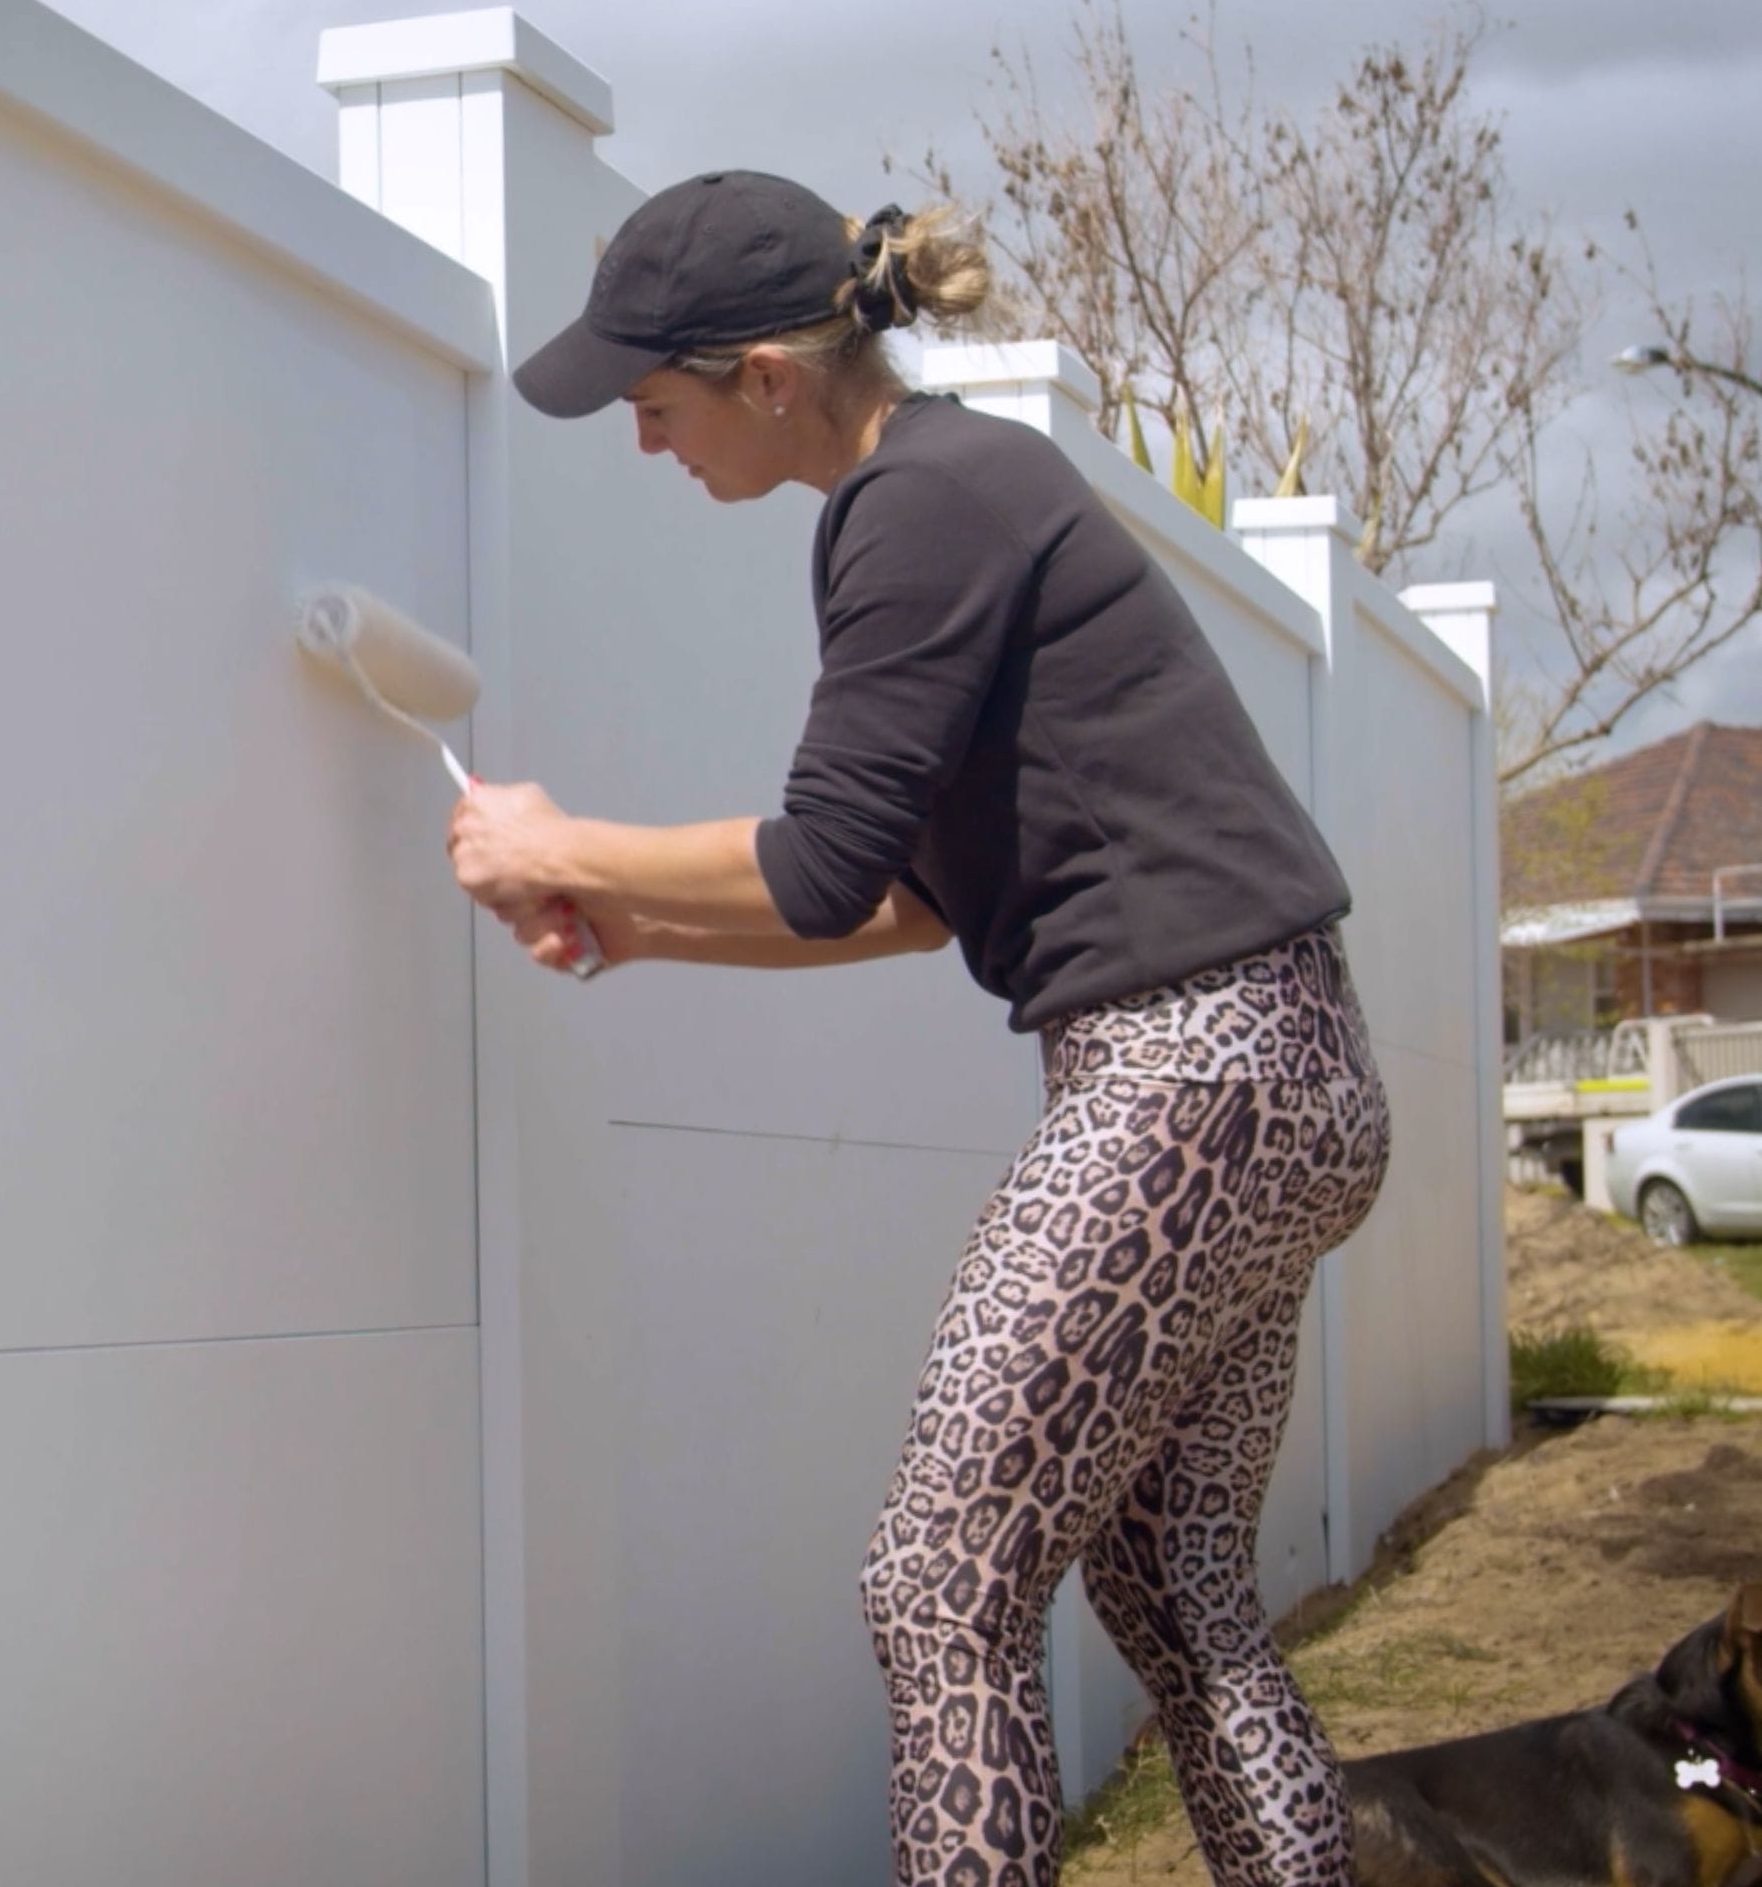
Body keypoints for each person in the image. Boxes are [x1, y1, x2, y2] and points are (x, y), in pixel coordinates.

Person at [444, 170, 1391, 1887]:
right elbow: (909, 894)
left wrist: (552, 839)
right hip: (1286, 1072)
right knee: (1176, 1591)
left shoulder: (918, 506)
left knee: (941, 1579)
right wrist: (635, 931)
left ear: (765, 375)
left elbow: (814, 864)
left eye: (653, 407)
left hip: (1189, 1073)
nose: (647, 449)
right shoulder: (965, 487)